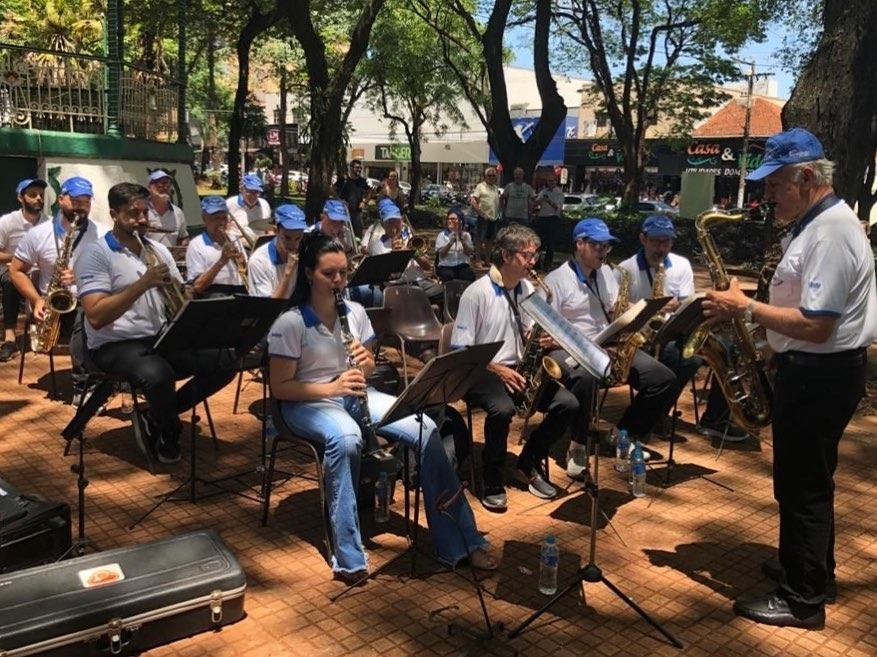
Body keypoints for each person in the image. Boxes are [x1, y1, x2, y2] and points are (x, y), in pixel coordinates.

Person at [703, 128, 877, 630]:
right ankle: (813, 571)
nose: (767, 194)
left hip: (821, 376)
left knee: (803, 489)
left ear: (805, 176)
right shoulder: (818, 225)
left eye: (775, 184)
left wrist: (746, 307)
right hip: (814, 370)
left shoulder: (831, 233)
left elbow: (818, 324)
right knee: (807, 482)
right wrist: (779, 348)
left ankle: (802, 599)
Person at [267, 232, 497, 581]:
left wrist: (365, 361)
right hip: (305, 402)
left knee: (426, 427)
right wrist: (331, 386)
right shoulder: (290, 323)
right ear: (309, 274)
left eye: (343, 272)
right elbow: (280, 387)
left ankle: (459, 540)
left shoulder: (355, 312)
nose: (339, 281)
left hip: (352, 393)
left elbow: (369, 366)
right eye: (329, 274)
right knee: (344, 439)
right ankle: (348, 555)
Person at [75, 182, 239, 464]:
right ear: (114, 214)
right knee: (158, 373)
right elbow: (96, 316)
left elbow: (180, 296)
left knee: (226, 361)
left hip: (158, 337)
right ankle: (170, 429)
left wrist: (187, 295)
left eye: (144, 213)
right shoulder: (96, 254)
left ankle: (156, 415)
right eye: (132, 213)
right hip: (112, 344)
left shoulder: (158, 252)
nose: (141, 220)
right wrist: (143, 284)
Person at [451, 225, 578, 510]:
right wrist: (497, 369)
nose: (533, 262)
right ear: (506, 255)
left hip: (519, 367)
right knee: (502, 409)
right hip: (482, 370)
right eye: (527, 255)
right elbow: (460, 349)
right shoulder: (477, 293)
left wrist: (545, 339)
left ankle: (528, 461)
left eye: (535, 255)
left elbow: (533, 329)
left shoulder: (529, 288)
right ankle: (492, 474)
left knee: (567, 404)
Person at [543, 218, 676, 477]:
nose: (603, 253)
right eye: (597, 246)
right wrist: (585, 345)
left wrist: (633, 315)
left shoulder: (606, 274)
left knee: (663, 378)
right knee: (586, 377)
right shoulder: (557, 280)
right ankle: (578, 445)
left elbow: (616, 308)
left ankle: (625, 433)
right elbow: (547, 329)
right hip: (572, 348)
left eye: (606, 247)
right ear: (579, 244)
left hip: (608, 344)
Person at [615, 214, 748, 441]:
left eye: (666, 242)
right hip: (641, 337)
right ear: (643, 239)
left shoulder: (681, 264)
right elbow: (618, 310)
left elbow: (688, 305)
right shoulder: (624, 270)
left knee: (727, 348)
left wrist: (680, 306)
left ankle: (714, 418)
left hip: (673, 330)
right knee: (687, 361)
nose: (661, 247)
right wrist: (648, 309)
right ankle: (652, 416)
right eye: (656, 241)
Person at [10, 176, 106, 406]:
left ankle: (93, 384)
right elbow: (16, 271)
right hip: (52, 304)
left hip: (87, 299)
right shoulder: (38, 234)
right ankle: (88, 387)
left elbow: (113, 273)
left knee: (86, 317)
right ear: (61, 199)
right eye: (75, 200)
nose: (81, 206)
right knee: (83, 321)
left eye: (86, 201)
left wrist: (82, 277)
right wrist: (36, 300)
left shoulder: (103, 234)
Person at [0, 178, 50, 361]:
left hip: (41, 271)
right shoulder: (7, 222)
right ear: (20, 198)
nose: (38, 199)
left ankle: (52, 334)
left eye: (41, 195)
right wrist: (19, 258)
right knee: (9, 280)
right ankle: (10, 339)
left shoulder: (49, 223)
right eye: (32, 195)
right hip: (14, 270)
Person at [369, 197, 443, 310]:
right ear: (383, 225)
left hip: (420, 283)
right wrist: (396, 255)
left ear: (402, 222)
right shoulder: (378, 245)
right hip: (395, 286)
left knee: (444, 292)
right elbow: (384, 276)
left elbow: (428, 267)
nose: (394, 226)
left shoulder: (411, 240)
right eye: (389, 222)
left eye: (396, 221)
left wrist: (412, 253)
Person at [311, 199, 381, 307]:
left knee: (376, 294)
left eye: (341, 222)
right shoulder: (310, 235)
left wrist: (347, 248)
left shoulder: (344, 232)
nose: (337, 226)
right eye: (333, 221)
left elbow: (353, 262)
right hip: (322, 285)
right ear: (322, 217)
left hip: (344, 281)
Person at [186, 196, 248, 298]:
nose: (222, 223)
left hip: (239, 291)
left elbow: (246, 274)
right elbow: (197, 286)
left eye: (224, 217)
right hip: (213, 294)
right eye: (216, 218)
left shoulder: (235, 240)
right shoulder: (196, 245)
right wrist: (222, 261)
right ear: (204, 218)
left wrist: (244, 264)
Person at [247, 204, 305, 299]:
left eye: (298, 238)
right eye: (287, 238)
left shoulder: (304, 252)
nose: (292, 244)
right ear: (275, 231)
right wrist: (288, 273)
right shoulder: (259, 261)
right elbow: (270, 307)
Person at [530, 170, 564, 271]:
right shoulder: (543, 191)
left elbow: (557, 208)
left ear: (555, 181)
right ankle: (536, 264)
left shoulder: (559, 192)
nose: (550, 183)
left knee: (550, 243)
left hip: (553, 218)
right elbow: (535, 204)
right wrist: (539, 201)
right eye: (548, 181)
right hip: (542, 217)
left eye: (552, 181)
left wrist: (549, 201)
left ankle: (547, 265)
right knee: (538, 242)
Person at [145, 169, 189, 247]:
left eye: (168, 184)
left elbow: (183, 238)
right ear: (149, 187)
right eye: (161, 184)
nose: (165, 187)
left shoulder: (178, 212)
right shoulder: (142, 211)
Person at [434, 207, 476, 282]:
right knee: (448, 276)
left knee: (469, 275)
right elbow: (441, 254)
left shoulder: (466, 235)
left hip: (462, 265)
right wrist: (450, 243)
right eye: (448, 219)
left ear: (460, 221)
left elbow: (469, 253)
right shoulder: (442, 235)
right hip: (446, 265)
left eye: (453, 219)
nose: (450, 221)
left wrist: (463, 242)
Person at [225, 173, 268, 246]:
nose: (253, 196)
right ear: (242, 189)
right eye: (250, 192)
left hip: (258, 247)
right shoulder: (230, 204)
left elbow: (268, 229)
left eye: (256, 192)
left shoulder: (264, 205)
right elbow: (223, 228)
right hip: (237, 247)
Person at [469, 167, 501, 266]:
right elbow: (473, 200)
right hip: (483, 217)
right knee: (479, 239)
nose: (491, 177)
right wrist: (480, 213)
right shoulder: (480, 186)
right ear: (485, 176)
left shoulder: (495, 188)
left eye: (493, 175)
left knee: (490, 240)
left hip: (494, 217)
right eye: (489, 175)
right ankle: (477, 260)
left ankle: (487, 260)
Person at [339, 159, 372, 239]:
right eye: (357, 168)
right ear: (351, 168)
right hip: (344, 213)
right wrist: (340, 200)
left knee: (358, 236)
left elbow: (370, 191)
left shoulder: (362, 181)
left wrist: (364, 201)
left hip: (357, 214)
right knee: (345, 235)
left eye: (360, 168)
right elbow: (332, 190)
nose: (359, 170)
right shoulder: (344, 180)